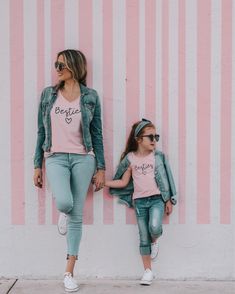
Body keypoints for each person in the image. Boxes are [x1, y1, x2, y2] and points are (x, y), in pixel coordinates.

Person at [33, 49, 105, 292]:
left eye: (61, 64)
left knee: (76, 215)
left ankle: (68, 272)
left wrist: (102, 168)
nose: (57, 69)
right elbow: (41, 132)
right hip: (55, 157)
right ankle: (63, 211)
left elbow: (96, 134)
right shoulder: (48, 95)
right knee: (65, 203)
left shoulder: (91, 96)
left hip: (84, 158)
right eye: (56, 64)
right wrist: (36, 165)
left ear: (75, 66)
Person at [105, 118, 176, 285]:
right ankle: (148, 271)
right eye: (150, 137)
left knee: (154, 228)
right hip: (140, 202)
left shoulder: (158, 157)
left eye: (156, 137)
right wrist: (104, 182)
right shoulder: (130, 158)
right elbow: (122, 182)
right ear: (138, 139)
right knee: (143, 237)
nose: (154, 140)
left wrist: (170, 199)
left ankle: (155, 240)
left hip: (157, 199)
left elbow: (169, 178)